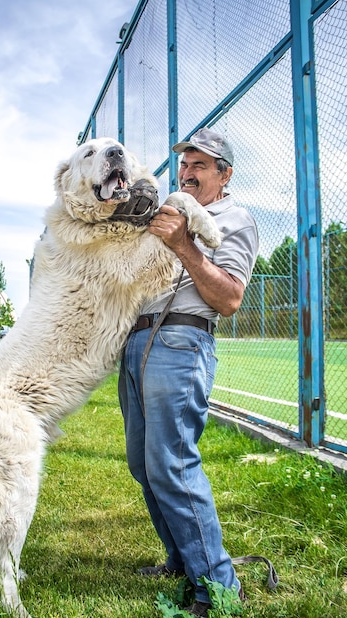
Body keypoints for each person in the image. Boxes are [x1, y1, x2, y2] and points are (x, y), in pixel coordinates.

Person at [118, 127, 259, 617]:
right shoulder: (166, 209)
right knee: (143, 465)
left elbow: (230, 298)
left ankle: (220, 588)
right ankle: (183, 560)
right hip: (136, 340)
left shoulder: (232, 217)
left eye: (200, 165)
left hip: (180, 338)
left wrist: (184, 244)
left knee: (173, 465)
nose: (188, 173)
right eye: (184, 165)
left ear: (225, 176)